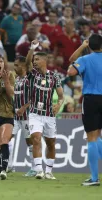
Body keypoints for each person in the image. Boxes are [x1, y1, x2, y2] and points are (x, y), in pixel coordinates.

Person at [26, 40, 64, 180]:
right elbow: (27, 63)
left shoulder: (54, 77)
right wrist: (32, 48)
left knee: (51, 143)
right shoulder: (33, 74)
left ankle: (49, 171)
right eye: (34, 59)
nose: (34, 61)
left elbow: (61, 96)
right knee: (36, 139)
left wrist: (59, 104)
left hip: (49, 115)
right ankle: (38, 170)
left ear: (44, 60)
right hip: (35, 113)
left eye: (37, 59)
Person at [67, 33, 102, 186]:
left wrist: (82, 47)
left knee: (91, 138)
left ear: (89, 45)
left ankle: (94, 178)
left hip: (91, 99)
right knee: (98, 135)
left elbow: (70, 70)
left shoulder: (85, 59)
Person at [12, 56, 35, 177]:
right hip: (15, 116)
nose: (14, 67)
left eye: (17, 65)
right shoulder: (17, 79)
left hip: (27, 116)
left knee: (29, 142)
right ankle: (9, 165)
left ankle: (34, 168)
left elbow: (34, 97)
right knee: (7, 138)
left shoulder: (29, 79)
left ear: (23, 66)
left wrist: (24, 107)